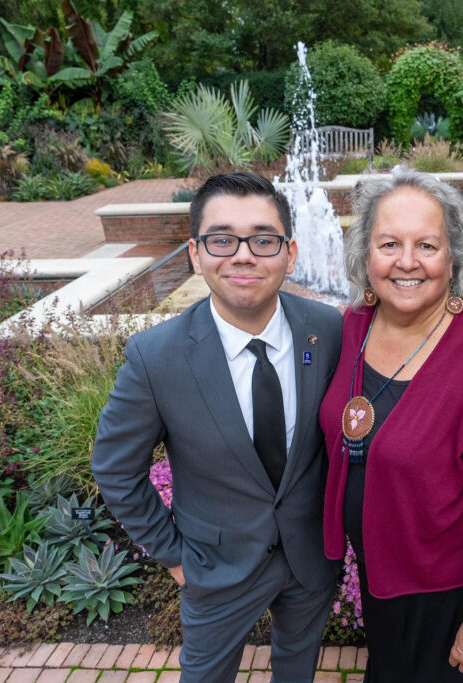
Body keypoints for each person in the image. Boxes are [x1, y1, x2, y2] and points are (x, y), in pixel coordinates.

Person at [92, 172, 342, 682]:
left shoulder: (329, 329)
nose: (244, 255)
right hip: (215, 568)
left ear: (289, 253)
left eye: (263, 239)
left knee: (298, 671)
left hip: (310, 559)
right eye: (222, 239)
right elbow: (116, 470)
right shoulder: (155, 357)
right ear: (195, 253)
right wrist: (174, 555)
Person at [320, 169, 463, 682]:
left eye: (427, 245)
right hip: (383, 582)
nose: (406, 262)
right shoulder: (355, 325)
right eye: (389, 243)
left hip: (452, 598)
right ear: (365, 254)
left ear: (453, 256)